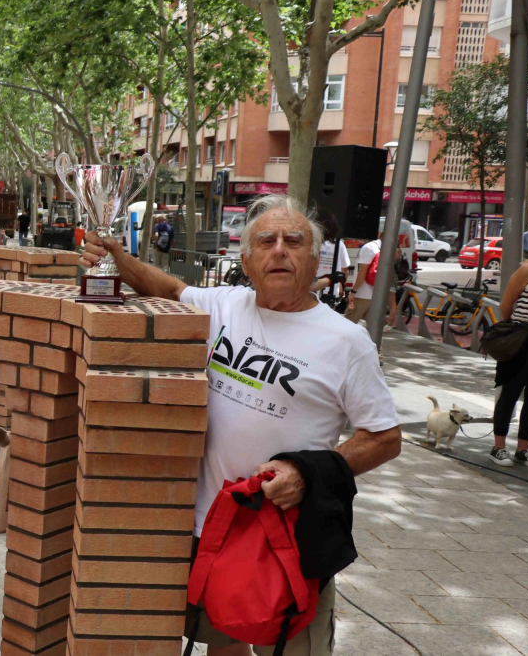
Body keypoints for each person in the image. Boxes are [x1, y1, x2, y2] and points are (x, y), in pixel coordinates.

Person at [81, 194, 401, 656]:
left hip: (289, 537)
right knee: (223, 643)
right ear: (247, 260)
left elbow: (385, 438)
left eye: (294, 241)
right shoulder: (224, 305)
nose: (279, 251)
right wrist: (116, 258)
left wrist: (307, 472)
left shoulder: (348, 342)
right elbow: (169, 290)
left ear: (315, 261)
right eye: (266, 241)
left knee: (291, 647)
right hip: (214, 523)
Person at [490, 261, 528, 466]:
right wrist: (513, 331)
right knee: (511, 392)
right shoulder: (527, 269)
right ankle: (498, 447)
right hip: (522, 338)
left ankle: (523, 449)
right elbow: (506, 305)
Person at [346, 231, 400, 326]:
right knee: (374, 328)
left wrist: (354, 291)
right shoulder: (385, 250)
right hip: (377, 295)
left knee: (347, 324)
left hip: (363, 294)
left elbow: (362, 272)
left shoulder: (369, 248)